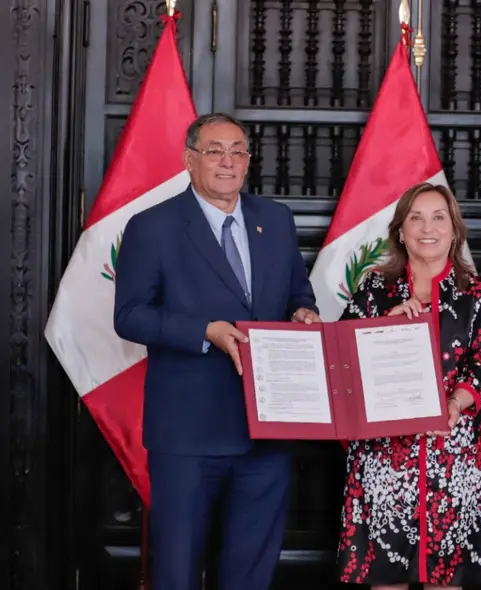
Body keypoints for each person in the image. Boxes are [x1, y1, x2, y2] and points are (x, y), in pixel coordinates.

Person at [113, 113, 319, 590]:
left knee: (250, 572)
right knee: (177, 571)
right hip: (188, 433)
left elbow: (297, 295)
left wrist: (303, 316)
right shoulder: (152, 226)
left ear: (248, 161)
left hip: (267, 429)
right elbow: (130, 316)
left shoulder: (276, 219)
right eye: (214, 151)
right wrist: (206, 331)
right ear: (190, 160)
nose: (228, 161)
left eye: (238, 151)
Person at [335, 182, 481, 589]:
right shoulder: (374, 290)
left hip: (455, 451)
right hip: (384, 454)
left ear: (454, 229)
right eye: (416, 217)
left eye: (438, 217)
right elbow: (342, 359)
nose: (427, 227)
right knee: (386, 573)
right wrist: (384, 325)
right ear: (400, 230)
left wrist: (452, 405)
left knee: (447, 578)